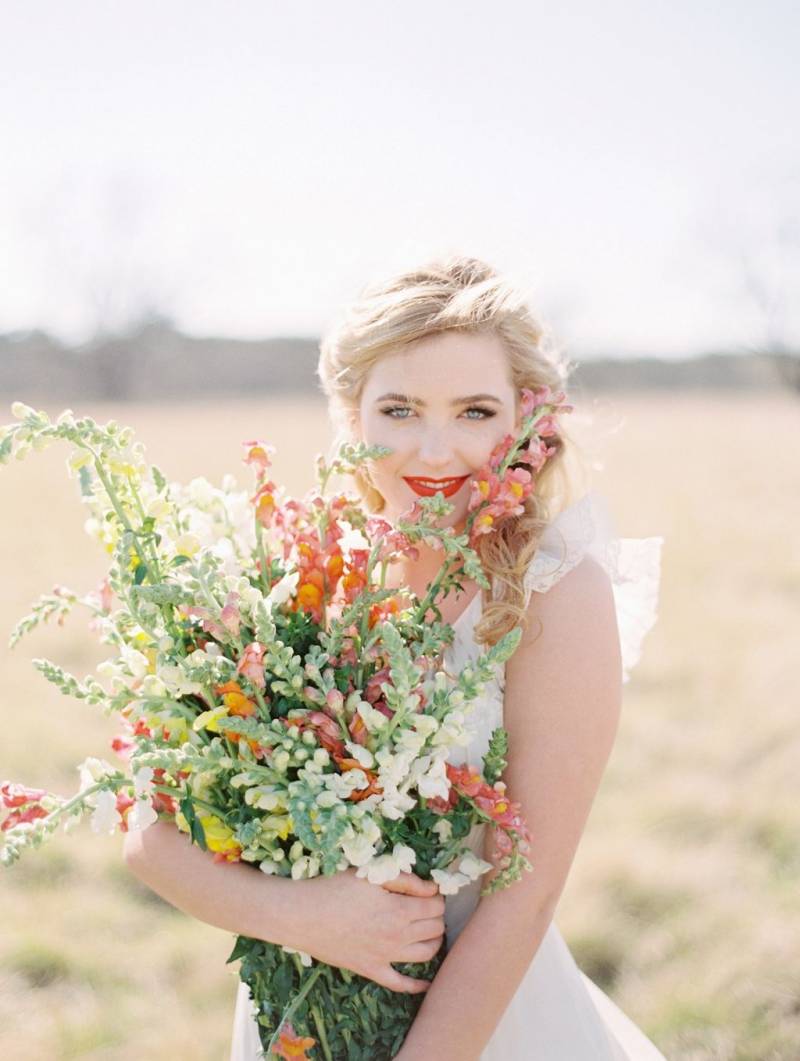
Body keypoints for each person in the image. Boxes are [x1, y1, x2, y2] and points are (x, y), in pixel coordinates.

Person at [124, 256, 666, 1060]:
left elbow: (525, 892)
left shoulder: (555, 591)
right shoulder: (294, 575)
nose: (435, 449)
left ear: (527, 420)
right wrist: (301, 916)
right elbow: (148, 837)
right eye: (400, 409)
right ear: (352, 417)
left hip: (480, 1017)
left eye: (475, 410)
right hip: (300, 1013)